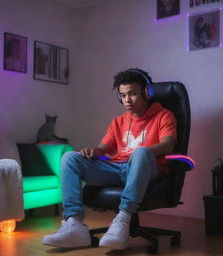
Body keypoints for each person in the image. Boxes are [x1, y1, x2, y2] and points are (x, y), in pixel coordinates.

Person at [42, 68, 177, 250]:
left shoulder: (164, 116)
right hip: (117, 168)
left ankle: (123, 219)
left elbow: (168, 145)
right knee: (69, 158)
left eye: (133, 94)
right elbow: (104, 149)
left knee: (141, 153)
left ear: (147, 92)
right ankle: (74, 225)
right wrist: (94, 151)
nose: (127, 100)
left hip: (147, 168)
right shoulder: (118, 121)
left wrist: (140, 153)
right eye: (122, 95)